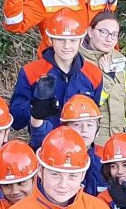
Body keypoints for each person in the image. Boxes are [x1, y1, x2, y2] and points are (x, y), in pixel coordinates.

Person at [11, 11, 106, 144]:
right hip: (44, 149)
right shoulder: (31, 72)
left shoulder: (93, 74)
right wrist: (35, 108)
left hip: (79, 150)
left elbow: (94, 120)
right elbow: (15, 121)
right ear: (50, 39)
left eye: (73, 40)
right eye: (61, 40)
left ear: (81, 40)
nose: (67, 46)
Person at [84, 10, 126, 145]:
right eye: (103, 32)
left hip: (119, 142)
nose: (109, 39)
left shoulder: (120, 61)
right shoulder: (77, 60)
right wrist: (106, 77)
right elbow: (86, 104)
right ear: (90, 31)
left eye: (114, 35)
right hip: (90, 143)